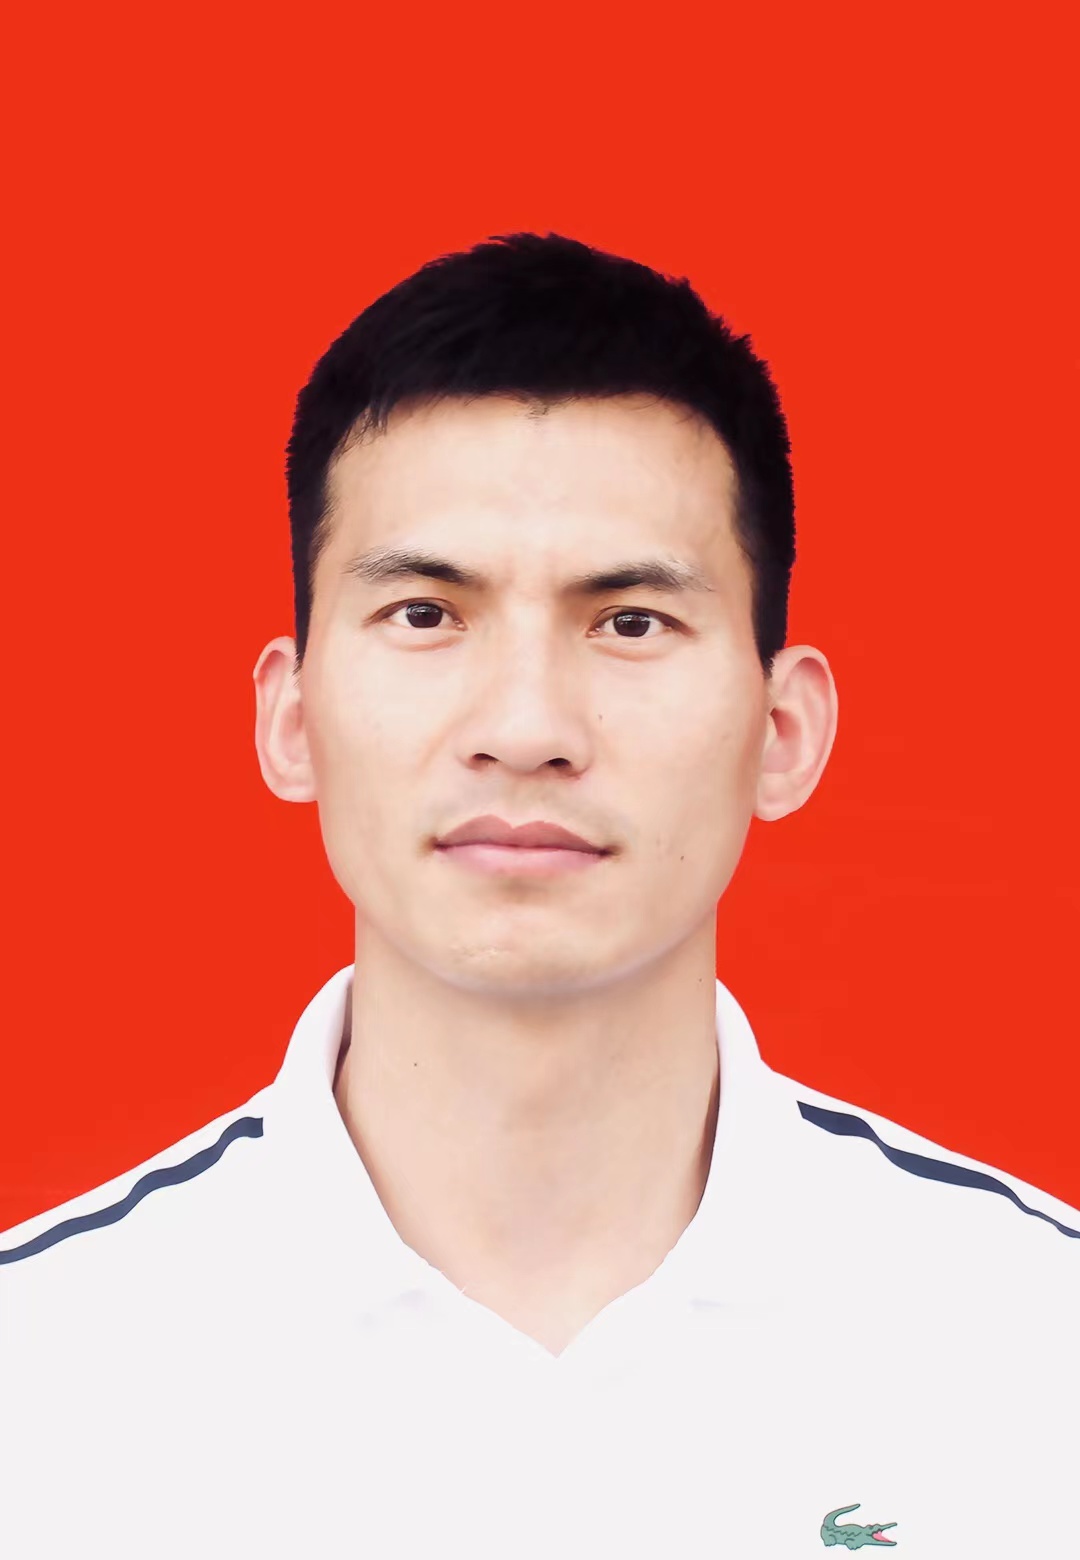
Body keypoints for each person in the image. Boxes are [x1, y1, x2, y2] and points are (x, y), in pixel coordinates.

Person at [1, 232, 1075, 1560]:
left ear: (784, 732)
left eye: (630, 622)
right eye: (424, 614)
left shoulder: (1039, 1350)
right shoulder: (39, 1381)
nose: (525, 729)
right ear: (290, 717)